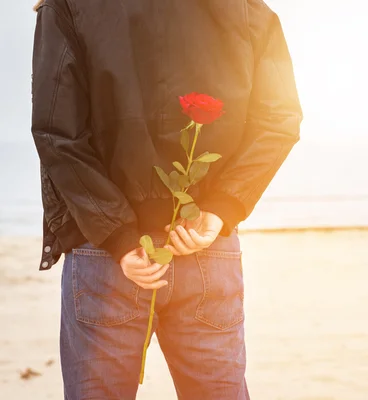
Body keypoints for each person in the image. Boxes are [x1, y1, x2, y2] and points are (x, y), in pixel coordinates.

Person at [30, 0, 302, 398]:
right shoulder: (245, 8)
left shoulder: (68, 6)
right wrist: (220, 209)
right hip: (202, 243)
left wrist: (119, 236)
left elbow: (57, 131)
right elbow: (280, 119)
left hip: (105, 254)